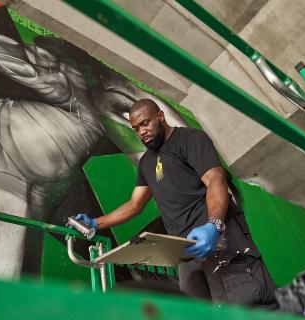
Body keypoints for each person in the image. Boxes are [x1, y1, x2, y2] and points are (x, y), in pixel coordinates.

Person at [75, 98, 276, 305]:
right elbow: (135, 204)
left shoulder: (190, 139)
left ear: (160, 116)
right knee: (194, 312)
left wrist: (214, 225)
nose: (141, 132)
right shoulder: (147, 162)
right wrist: (95, 223)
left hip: (218, 237)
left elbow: (215, 179)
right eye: (136, 128)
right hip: (185, 251)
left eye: (145, 123)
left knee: (246, 306)